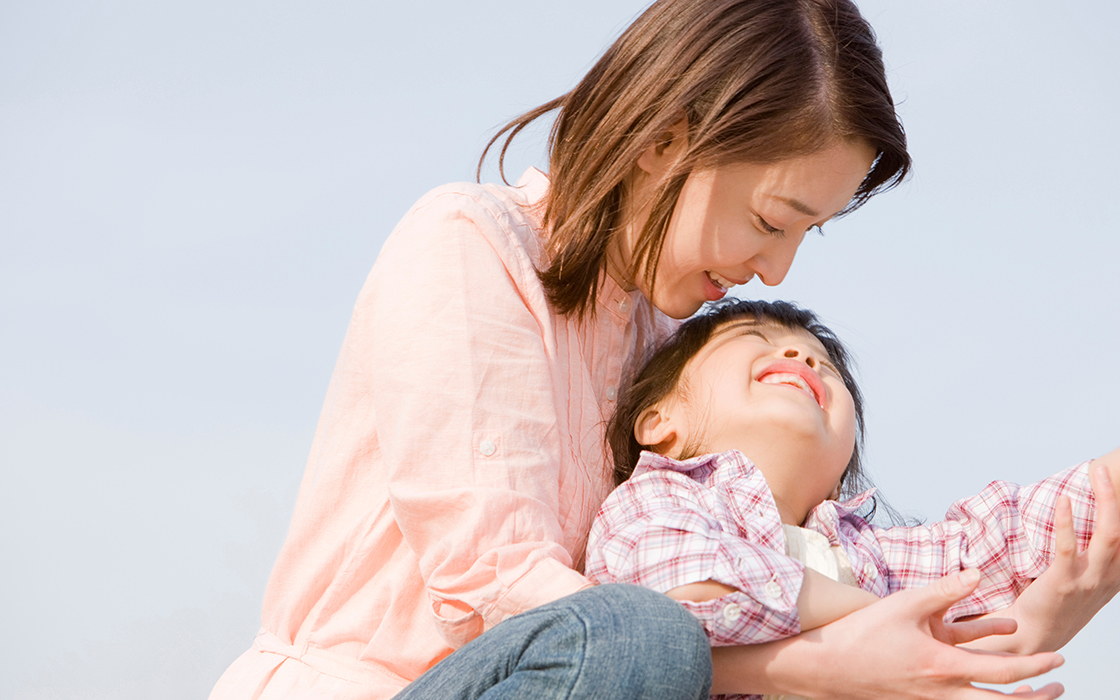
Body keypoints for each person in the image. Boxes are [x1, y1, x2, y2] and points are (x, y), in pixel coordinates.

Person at [208, 0, 1093, 698]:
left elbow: (765, 578)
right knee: (643, 638)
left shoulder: (672, 352)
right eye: (769, 219)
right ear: (666, 141)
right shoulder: (471, 247)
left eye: (806, 236)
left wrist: (1018, 619)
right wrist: (813, 665)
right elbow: (499, 594)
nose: (773, 268)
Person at [586, 298, 1120, 699]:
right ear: (659, 422)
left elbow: (1006, 536)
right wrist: (892, 621)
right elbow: (686, 589)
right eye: (756, 336)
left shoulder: (867, 554)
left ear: (841, 474)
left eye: (827, 366)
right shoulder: (662, 495)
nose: (801, 355)